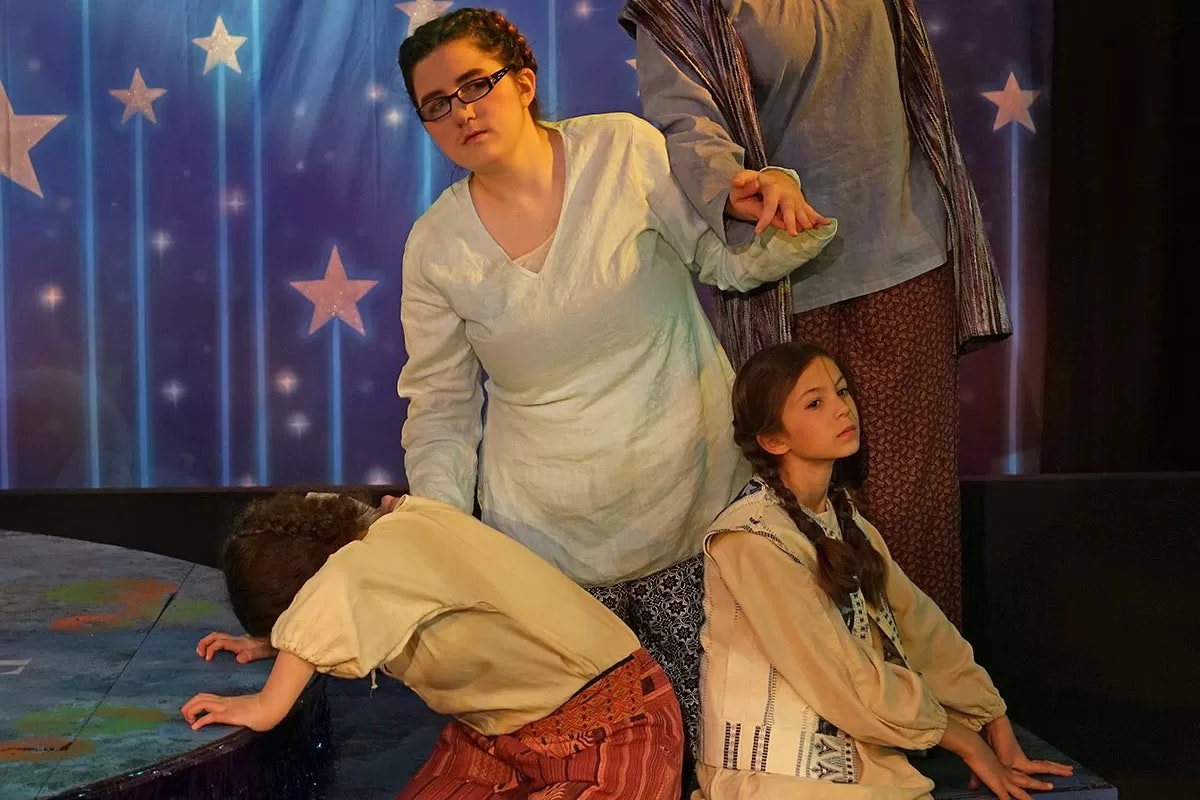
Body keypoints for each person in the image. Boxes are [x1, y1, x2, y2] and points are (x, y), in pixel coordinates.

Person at [394, 7, 836, 759]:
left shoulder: (622, 150)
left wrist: (780, 217)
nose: (462, 111)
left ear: (524, 82)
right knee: (603, 767)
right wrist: (438, 531)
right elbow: (439, 405)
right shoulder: (434, 246)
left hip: (694, 517)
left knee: (729, 759)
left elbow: (720, 264)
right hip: (550, 557)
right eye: (438, 103)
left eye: (477, 84)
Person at [623, 0, 1015, 626]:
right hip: (783, 284)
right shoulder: (681, 6)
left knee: (911, 512)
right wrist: (739, 187)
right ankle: (832, 704)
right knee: (803, 517)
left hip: (903, 258)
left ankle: (929, 702)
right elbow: (687, 123)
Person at [692, 341, 1071, 799]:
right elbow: (842, 676)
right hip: (773, 776)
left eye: (842, 391)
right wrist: (963, 739)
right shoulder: (750, 539)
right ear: (774, 440)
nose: (842, 409)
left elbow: (920, 628)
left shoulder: (845, 522)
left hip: (864, 759)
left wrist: (993, 718)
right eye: (816, 403)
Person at [181, 492, 684, 799]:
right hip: (499, 738)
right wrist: (273, 640)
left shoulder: (374, 558)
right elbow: (335, 590)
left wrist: (268, 704)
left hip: (614, 728)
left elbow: (340, 588)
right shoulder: (381, 533)